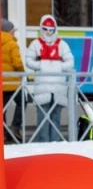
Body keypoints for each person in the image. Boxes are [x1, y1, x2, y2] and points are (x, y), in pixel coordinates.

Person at [24, 14, 76, 143]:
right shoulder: (35, 44)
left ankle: (55, 142)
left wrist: (57, 66)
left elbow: (70, 62)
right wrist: (42, 65)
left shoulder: (62, 44)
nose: (48, 32)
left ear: (55, 29)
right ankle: (43, 143)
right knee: (42, 117)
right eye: (45, 29)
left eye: (51, 29)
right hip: (42, 87)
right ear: (41, 29)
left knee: (56, 117)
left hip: (58, 88)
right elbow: (28, 61)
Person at [1, 19, 25, 142]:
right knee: (23, 101)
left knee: (2, 108)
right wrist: (23, 71)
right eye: (13, 31)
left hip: (1, 83)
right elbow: (17, 63)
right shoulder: (12, 43)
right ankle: (15, 127)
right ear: (9, 31)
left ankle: (3, 132)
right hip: (12, 83)